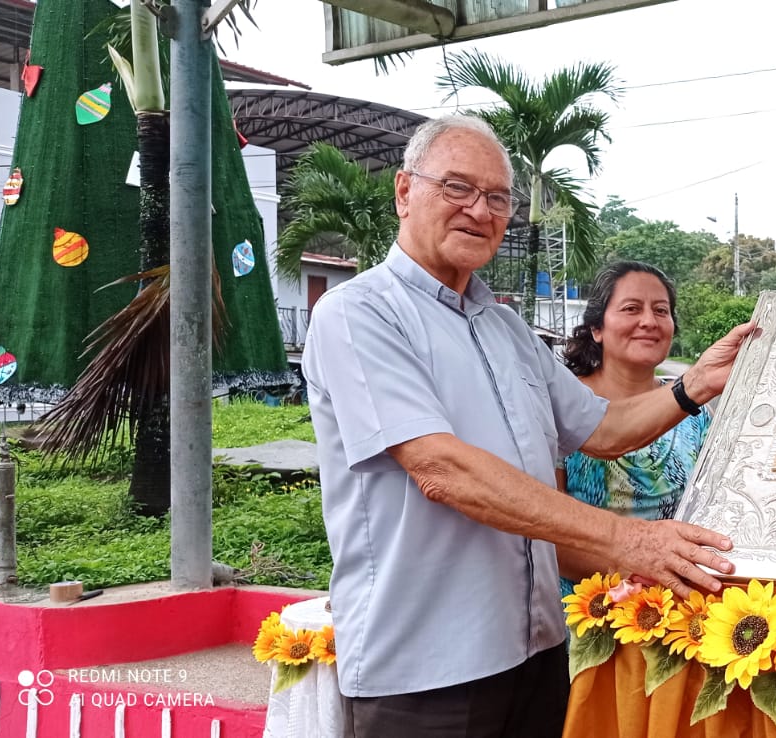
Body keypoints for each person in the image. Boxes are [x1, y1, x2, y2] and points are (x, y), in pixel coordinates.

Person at [302, 114, 752, 738]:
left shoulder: (506, 326)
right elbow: (443, 469)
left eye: (497, 198)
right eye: (457, 188)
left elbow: (603, 428)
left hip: (536, 652)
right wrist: (629, 541)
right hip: (425, 666)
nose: (480, 211)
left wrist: (695, 384)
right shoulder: (359, 313)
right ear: (405, 191)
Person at [555, 262, 710, 583]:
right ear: (596, 328)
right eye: (631, 308)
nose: (649, 322)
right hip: (587, 614)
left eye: (661, 310)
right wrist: (643, 572)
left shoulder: (695, 414)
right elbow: (544, 532)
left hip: (679, 610)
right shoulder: (562, 405)